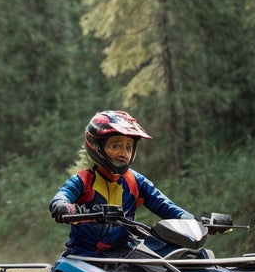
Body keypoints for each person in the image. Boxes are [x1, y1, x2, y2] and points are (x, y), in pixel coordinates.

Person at [50, 110, 193, 256]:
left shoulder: (136, 181)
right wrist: (64, 206)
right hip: (82, 256)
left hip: (124, 256)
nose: (123, 153)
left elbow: (163, 205)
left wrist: (191, 221)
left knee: (182, 257)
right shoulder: (83, 180)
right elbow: (63, 195)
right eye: (115, 146)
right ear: (96, 146)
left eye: (128, 147)